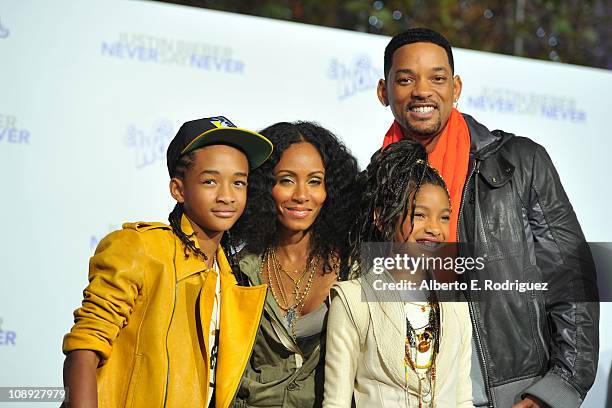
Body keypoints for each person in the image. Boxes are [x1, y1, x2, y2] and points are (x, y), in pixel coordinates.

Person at [376, 28, 599, 408]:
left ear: (456, 87)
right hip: (416, 394)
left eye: (437, 77)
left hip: (511, 396)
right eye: (406, 78)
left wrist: (559, 388)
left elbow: (570, 276)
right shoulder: (376, 186)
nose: (422, 91)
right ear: (384, 92)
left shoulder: (520, 163)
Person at [62, 116, 273, 407]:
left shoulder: (233, 278)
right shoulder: (141, 247)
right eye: (210, 181)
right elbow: (84, 349)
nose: (227, 196)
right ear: (178, 189)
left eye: (239, 182)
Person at [324, 139, 473, 407]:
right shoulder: (351, 299)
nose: (434, 229)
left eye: (444, 217)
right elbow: (336, 402)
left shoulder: (457, 307)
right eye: (419, 215)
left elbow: (463, 400)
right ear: (381, 218)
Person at [231, 121, 359, 407]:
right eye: (286, 180)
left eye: (315, 181)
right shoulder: (238, 269)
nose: (302, 195)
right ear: (265, 187)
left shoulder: (354, 268)